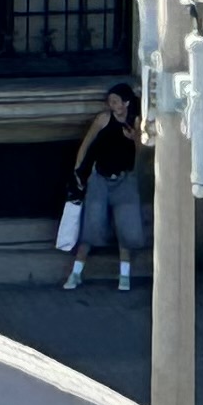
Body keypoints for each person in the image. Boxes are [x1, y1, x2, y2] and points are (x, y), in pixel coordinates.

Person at [62, 86, 148, 293]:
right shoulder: (103, 119)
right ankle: (76, 273)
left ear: (126, 102)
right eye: (111, 101)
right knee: (91, 226)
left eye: (117, 101)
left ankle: (124, 275)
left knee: (126, 228)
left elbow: (143, 156)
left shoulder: (135, 123)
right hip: (100, 179)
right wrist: (79, 169)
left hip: (124, 180)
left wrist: (134, 139)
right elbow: (87, 144)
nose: (113, 105)